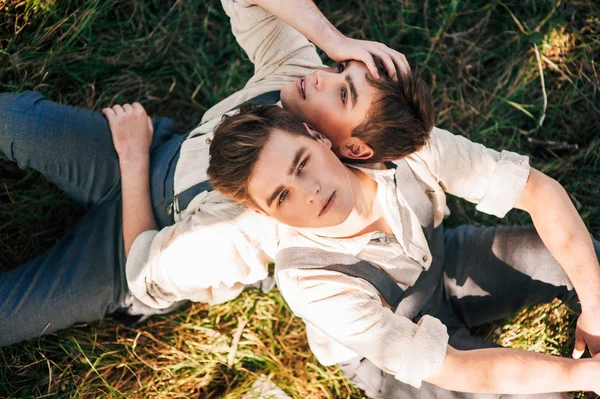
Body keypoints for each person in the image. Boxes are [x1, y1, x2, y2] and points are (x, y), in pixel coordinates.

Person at [0, 0, 411, 346]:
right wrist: (333, 39)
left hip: (129, 247)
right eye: (341, 67)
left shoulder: (252, 226)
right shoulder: (296, 76)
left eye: (342, 91)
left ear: (340, 146)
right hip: (153, 152)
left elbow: (143, 270)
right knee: (13, 120)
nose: (322, 73)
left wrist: (133, 161)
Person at [207, 103, 600, 398]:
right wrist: (581, 375)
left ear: (317, 136)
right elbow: (453, 368)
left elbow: (538, 191)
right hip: (397, 352)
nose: (309, 192)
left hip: (443, 262)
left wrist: (595, 307)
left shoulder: (397, 148)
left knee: (589, 264)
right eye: (282, 196)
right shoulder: (308, 281)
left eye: (302, 163)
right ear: (264, 212)